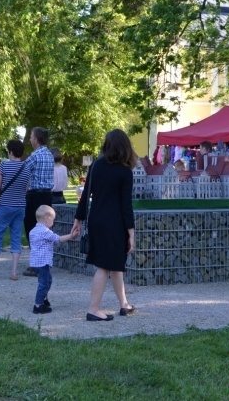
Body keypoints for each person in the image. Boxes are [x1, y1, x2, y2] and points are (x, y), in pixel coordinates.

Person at [71, 129, 136, 321]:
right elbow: (126, 206)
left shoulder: (96, 166)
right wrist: (131, 233)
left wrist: (77, 220)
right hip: (115, 222)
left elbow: (85, 196)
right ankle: (93, 309)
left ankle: (124, 304)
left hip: (97, 219)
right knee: (104, 267)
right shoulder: (125, 172)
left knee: (115, 264)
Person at [0, 139, 31, 282]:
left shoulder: (4, 166)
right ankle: (14, 272)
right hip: (20, 206)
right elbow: (26, 188)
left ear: (11, 152)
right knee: (16, 238)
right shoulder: (26, 168)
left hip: (4, 206)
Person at [29, 205, 79, 314]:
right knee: (44, 283)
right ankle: (38, 305)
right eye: (53, 220)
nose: (53, 222)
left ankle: (44, 299)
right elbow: (58, 239)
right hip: (42, 263)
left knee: (47, 280)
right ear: (47, 219)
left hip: (35, 262)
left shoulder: (33, 230)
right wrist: (72, 235)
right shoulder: (45, 231)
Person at [22, 127, 54, 277]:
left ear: (36, 139)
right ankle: (45, 261)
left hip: (35, 195)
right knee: (45, 228)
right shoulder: (49, 155)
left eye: (31, 137)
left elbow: (22, 171)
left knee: (32, 228)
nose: (29, 139)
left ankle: (36, 264)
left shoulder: (35, 156)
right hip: (47, 196)